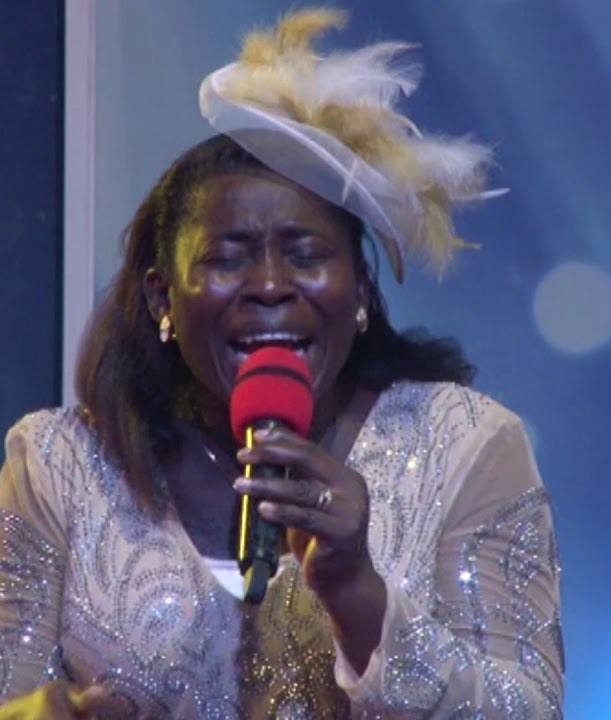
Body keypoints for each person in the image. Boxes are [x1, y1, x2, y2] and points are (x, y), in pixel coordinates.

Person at [0, 8, 563, 719]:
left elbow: (527, 709)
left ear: (361, 293)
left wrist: (358, 594)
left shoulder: (464, 447)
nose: (269, 285)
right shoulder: (60, 466)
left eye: (305, 255)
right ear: (161, 297)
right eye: (227, 258)